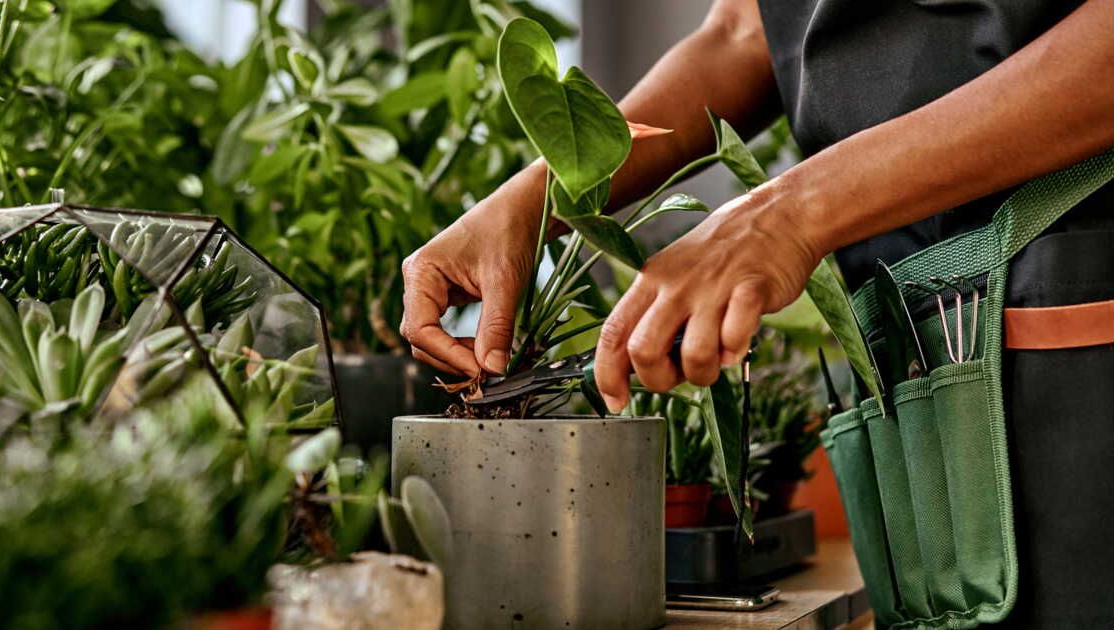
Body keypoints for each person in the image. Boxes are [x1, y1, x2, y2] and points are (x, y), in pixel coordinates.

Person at [400, 1, 1114, 626]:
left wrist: (791, 213)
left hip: (1076, 319)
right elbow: (747, 31)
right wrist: (535, 200)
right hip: (916, 335)